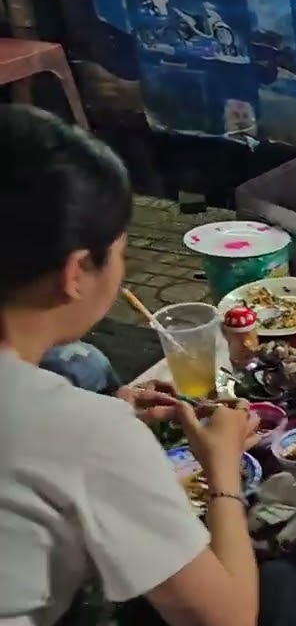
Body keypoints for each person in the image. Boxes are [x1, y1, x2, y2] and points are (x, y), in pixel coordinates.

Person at [0, 105, 268, 626]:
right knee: (279, 586)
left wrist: (112, 412)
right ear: (77, 271)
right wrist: (222, 468)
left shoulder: (77, 420)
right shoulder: (86, 431)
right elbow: (230, 620)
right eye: (122, 251)